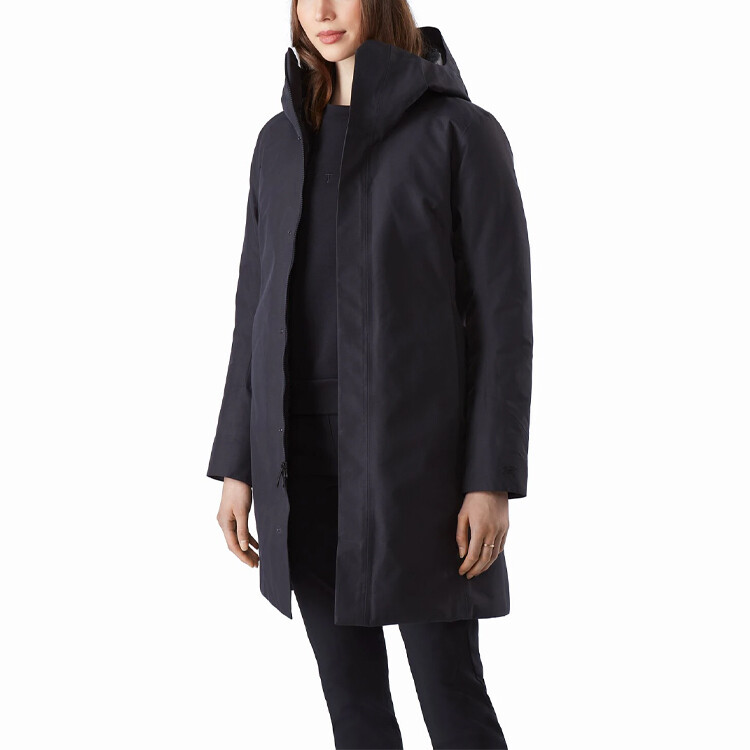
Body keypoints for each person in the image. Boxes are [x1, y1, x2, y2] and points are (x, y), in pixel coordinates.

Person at [208, 1, 533, 747]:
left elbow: (502, 325)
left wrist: (490, 479)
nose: (321, 12)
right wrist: (238, 463)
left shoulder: (461, 133)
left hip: (420, 472)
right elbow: (252, 314)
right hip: (302, 469)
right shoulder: (279, 144)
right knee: (352, 710)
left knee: (451, 698)